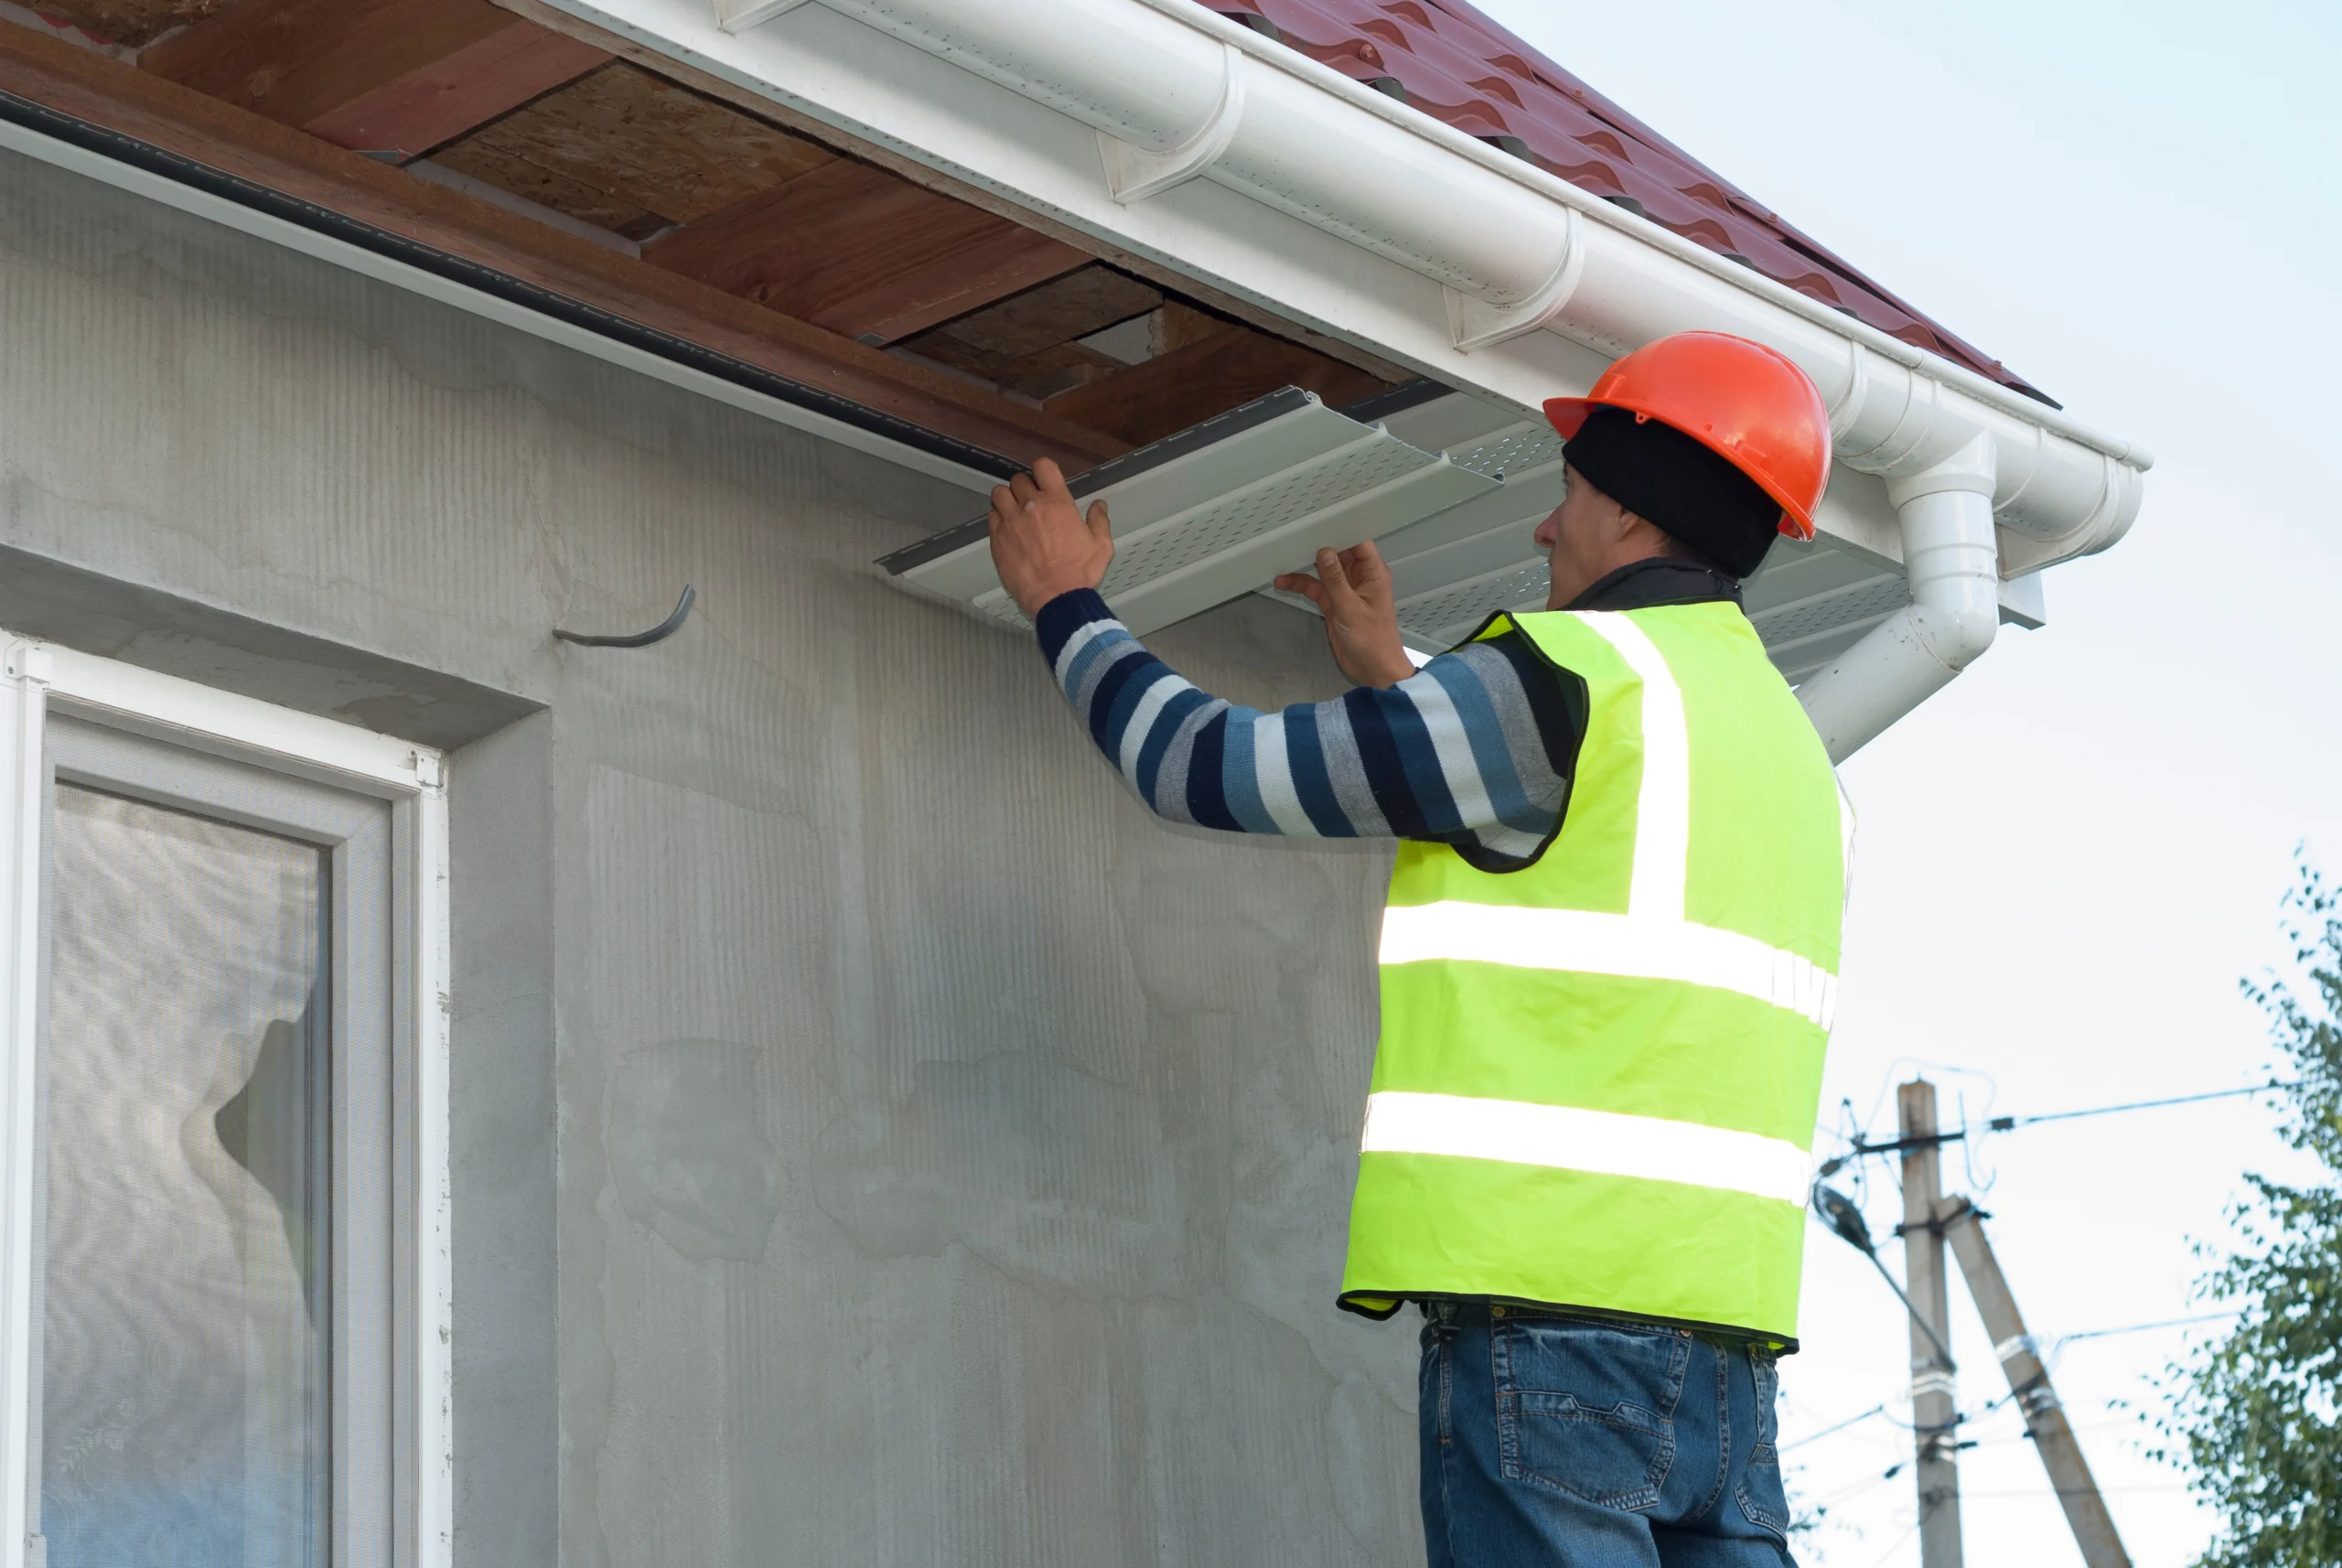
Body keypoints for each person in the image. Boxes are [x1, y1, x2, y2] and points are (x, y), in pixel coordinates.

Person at [986, 331, 1849, 1567]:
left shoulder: (1567, 684)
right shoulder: (1784, 748)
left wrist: (1066, 602)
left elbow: (1201, 768)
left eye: (1566, 496)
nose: (1547, 533)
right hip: (1727, 1371)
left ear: (1627, 507)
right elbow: (1595, 856)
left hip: (1555, 1348)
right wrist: (1396, 676)